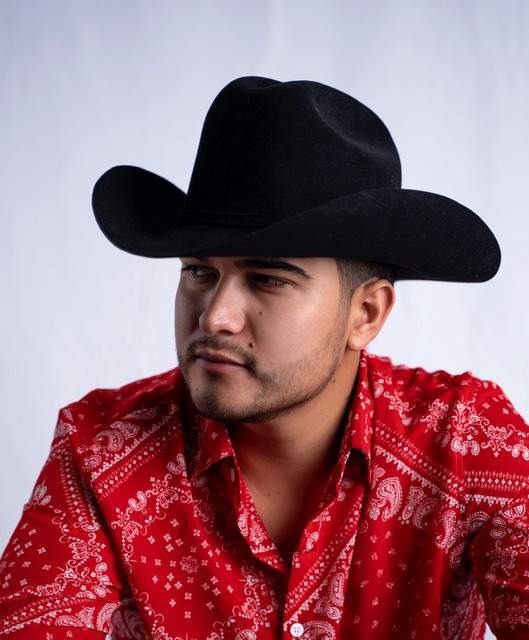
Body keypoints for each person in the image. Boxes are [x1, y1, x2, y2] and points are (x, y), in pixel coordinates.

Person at [0, 76, 527, 640]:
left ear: (366, 314)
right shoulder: (101, 448)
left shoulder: (466, 438)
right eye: (199, 271)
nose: (215, 317)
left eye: (269, 279)